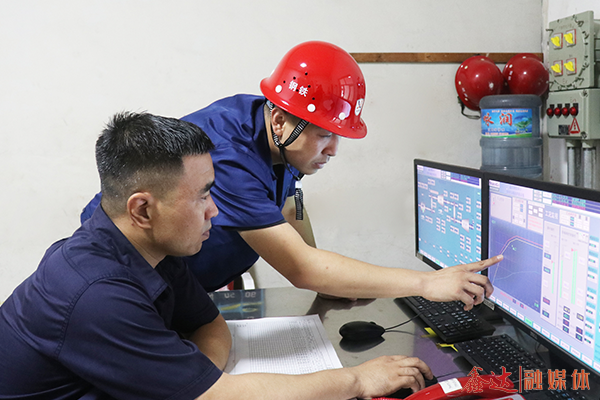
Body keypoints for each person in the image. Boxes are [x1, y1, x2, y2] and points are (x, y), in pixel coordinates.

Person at [0, 111, 434, 399]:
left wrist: (193, 378)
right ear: (143, 210)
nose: (215, 211)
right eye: (203, 195)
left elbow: (210, 324)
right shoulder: (96, 293)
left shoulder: (153, 251)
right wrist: (357, 379)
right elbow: (218, 397)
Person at [81, 41, 502, 308]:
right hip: (132, 286)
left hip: (185, 290)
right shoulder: (229, 155)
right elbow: (302, 269)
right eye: (324, 135)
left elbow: (290, 205)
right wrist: (426, 284)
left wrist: (326, 280)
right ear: (282, 122)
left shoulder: (272, 130)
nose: (333, 150)